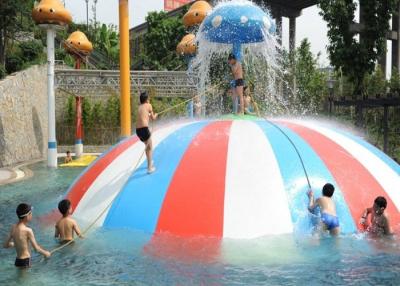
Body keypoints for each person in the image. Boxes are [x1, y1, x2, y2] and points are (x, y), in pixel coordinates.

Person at [3, 203, 51, 268]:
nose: (32, 215)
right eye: (31, 213)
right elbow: (36, 248)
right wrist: (46, 253)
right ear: (27, 216)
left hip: (17, 261)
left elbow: (5, 245)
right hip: (26, 261)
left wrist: (14, 244)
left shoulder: (13, 228)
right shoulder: (28, 230)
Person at [136, 91, 158, 174]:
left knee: (147, 147)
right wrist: (155, 115)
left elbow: (143, 116)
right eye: (148, 98)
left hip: (138, 131)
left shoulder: (140, 107)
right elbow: (153, 118)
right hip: (144, 129)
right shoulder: (149, 105)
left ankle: (149, 161)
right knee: (149, 147)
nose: (149, 99)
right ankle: (149, 168)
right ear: (146, 99)